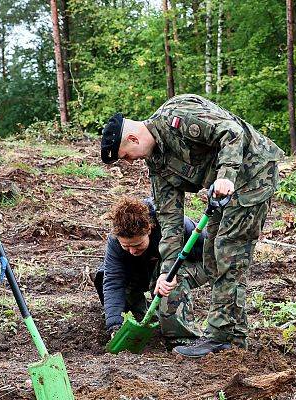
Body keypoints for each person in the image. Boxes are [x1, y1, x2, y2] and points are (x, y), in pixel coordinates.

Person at [99, 94, 284, 358]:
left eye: (126, 156)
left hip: (252, 174)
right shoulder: (157, 165)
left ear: (133, 139)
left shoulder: (177, 115)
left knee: (228, 254)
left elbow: (230, 131)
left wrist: (226, 176)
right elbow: (169, 221)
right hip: (222, 193)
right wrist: (167, 272)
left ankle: (221, 338)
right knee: (212, 256)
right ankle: (233, 338)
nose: (129, 162)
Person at [94, 197, 210, 345]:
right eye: (126, 246)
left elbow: (211, 253)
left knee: (168, 279)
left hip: (198, 264)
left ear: (149, 229)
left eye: (137, 244)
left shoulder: (173, 224)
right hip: (148, 265)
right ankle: (137, 319)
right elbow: (113, 280)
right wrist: (114, 325)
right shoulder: (115, 241)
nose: (131, 251)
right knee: (103, 274)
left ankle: (182, 338)